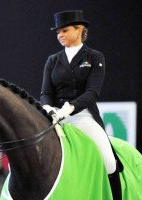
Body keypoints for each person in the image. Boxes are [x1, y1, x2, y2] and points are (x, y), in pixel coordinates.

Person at [40, 10, 121, 200]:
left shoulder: (94, 57)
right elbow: (45, 93)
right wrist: (48, 108)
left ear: (79, 30)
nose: (60, 35)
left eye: (65, 30)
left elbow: (92, 92)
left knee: (110, 163)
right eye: (58, 32)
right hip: (55, 117)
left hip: (82, 116)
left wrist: (71, 108)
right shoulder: (52, 60)